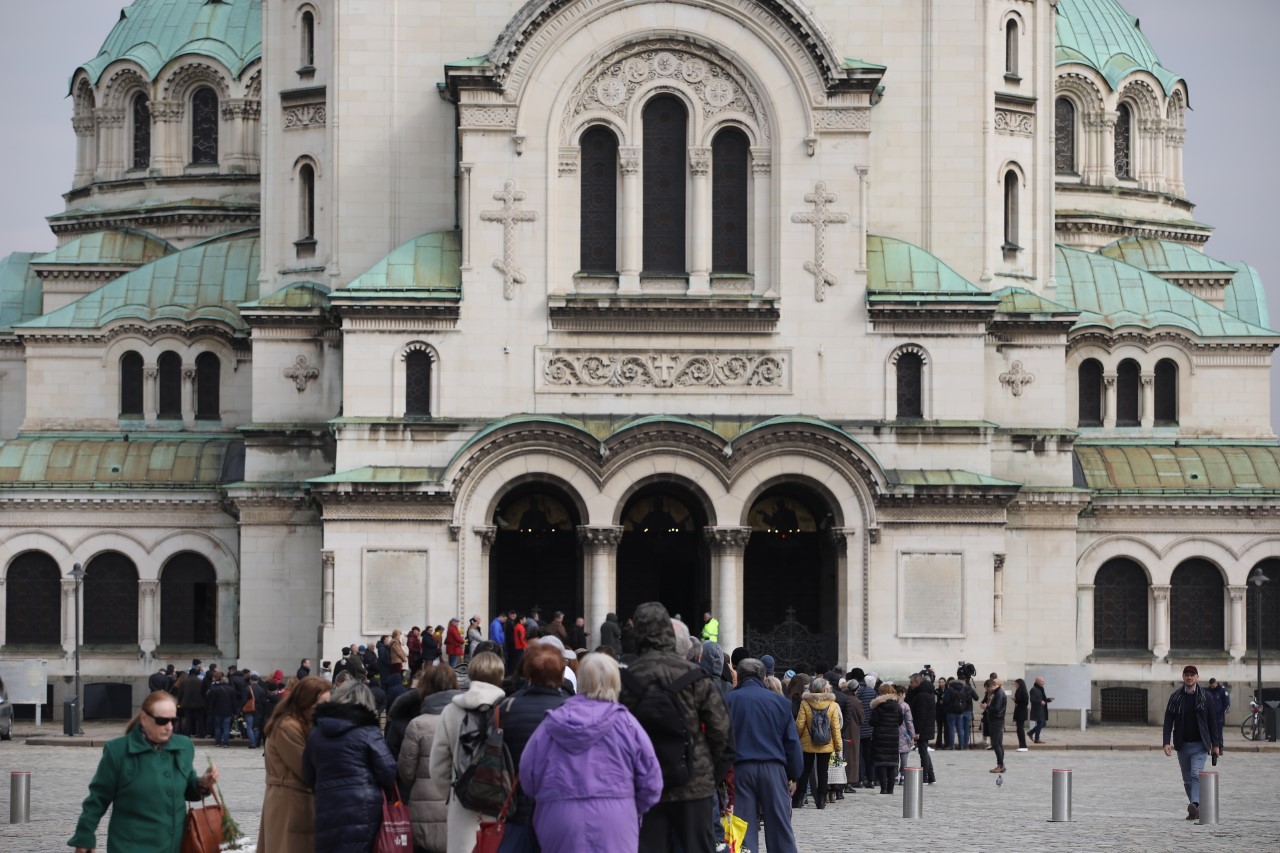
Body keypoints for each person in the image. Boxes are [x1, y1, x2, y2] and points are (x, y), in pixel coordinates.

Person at [620, 602, 733, 853]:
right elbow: (722, 733)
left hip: (642, 788)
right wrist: (708, 775)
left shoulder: (624, 679)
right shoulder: (696, 676)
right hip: (694, 786)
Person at [520, 652, 662, 853]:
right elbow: (652, 781)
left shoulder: (552, 722)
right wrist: (629, 805)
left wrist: (549, 797)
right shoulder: (627, 724)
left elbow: (527, 775)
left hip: (559, 818)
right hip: (616, 820)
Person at [68, 691, 220, 853]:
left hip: (175, 847)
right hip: (131, 846)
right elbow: (98, 798)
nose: (169, 727)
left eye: (173, 720)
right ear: (144, 719)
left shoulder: (184, 746)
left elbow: (188, 788)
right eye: (162, 721)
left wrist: (202, 783)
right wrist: (85, 836)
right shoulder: (118, 751)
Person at [302, 680, 400, 853]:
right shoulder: (368, 731)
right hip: (363, 806)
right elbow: (387, 770)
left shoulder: (317, 731)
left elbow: (308, 774)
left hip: (326, 804)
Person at [489, 644, 570, 850]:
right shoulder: (572, 708)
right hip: (560, 809)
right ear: (561, 674)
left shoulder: (506, 707)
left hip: (516, 808)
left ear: (528, 672)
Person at [428, 651, 508, 853]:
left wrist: (455, 792)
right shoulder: (507, 710)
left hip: (461, 806)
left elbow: (437, 766)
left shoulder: (451, 710)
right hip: (499, 805)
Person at [723, 658, 802, 853]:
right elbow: (792, 743)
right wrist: (794, 774)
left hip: (739, 769)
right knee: (780, 829)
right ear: (763, 677)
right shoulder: (781, 703)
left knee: (743, 827)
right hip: (773, 768)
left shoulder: (727, 701)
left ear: (738, 676)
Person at [257, 676, 331, 853]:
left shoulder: (304, 723)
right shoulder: (288, 727)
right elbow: (306, 768)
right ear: (306, 702)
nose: (326, 709)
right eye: (321, 703)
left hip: (296, 801)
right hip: (289, 803)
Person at [398, 665, 464, 853]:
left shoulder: (418, 725)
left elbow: (406, 772)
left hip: (424, 809)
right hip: (459, 807)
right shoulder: (468, 719)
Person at [1162, 665, 1222, 821]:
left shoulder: (1205, 696)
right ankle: (1196, 809)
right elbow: (1168, 720)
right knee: (1187, 780)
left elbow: (1212, 721)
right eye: (1187, 675)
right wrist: (1166, 742)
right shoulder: (1176, 697)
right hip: (1182, 744)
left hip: (1200, 744)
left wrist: (1216, 744)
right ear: (1183, 677)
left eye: (1192, 675)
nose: (1189, 678)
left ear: (1197, 677)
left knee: (1196, 775)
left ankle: (1194, 803)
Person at [793, 676, 842, 809]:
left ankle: (799, 798)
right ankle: (821, 800)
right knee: (823, 772)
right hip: (826, 743)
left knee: (805, 771)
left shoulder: (805, 703)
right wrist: (838, 747)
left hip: (807, 743)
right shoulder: (832, 704)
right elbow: (835, 728)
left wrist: (795, 739)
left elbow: (800, 724)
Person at [869, 684, 904, 794]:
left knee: (881, 763)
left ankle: (883, 788)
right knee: (892, 762)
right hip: (893, 736)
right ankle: (891, 789)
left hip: (880, 736)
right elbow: (900, 721)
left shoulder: (878, 706)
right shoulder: (897, 706)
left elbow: (873, 722)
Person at [906, 672, 937, 784]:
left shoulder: (921, 695)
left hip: (922, 728)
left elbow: (920, 714)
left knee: (923, 752)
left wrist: (917, 731)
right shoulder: (926, 692)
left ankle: (925, 776)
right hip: (926, 726)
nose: (910, 685)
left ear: (917, 682)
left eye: (911, 683)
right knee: (924, 750)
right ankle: (931, 776)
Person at [945, 676, 979, 750]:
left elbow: (946, 700)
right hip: (962, 710)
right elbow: (976, 698)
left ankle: (951, 745)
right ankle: (963, 745)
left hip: (951, 711)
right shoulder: (965, 688)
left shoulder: (950, 689)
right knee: (962, 729)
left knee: (952, 729)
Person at [207, 669, 236, 747]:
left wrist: (211, 709)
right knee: (226, 727)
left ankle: (218, 742)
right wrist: (235, 711)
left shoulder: (216, 689)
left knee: (218, 727)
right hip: (228, 711)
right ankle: (226, 743)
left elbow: (212, 701)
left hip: (218, 710)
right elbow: (234, 702)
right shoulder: (231, 690)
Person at [984, 677, 1007, 773]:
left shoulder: (999, 694)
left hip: (997, 720)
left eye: (987, 688)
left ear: (991, 686)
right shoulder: (997, 693)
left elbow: (997, 708)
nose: (987, 690)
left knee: (996, 743)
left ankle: (1000, 765)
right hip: (997, 720)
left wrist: (987, 707)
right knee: (998, 743)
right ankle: (1001, 764)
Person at [1204, 678, 1230, 747]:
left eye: (1213, 685)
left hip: (1219, 716)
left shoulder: (1222, 690)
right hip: (1209, 715)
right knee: (1208, 731)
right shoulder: (1207, 690)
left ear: (1216, 683)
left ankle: (1220, 747)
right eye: (1211, 686)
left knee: (1218, 732)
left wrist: (1222, 712)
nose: (1212, 687)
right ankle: (1209, 746)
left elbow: (1227, 703)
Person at [1029, 676, 1053, 743]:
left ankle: (1030, 733)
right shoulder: (1033, 689)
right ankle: (1037, 739)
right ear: (1037, 681)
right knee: (1040, 723)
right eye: (1041, 681)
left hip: (1042, 709)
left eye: (1043, 681)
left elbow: (1043, 699)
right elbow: (1032, 699)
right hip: (1037, 710)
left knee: (1043, 724)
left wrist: (1049, 699)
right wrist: (1040, 701)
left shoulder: (1041, 689)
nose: (1043, 682)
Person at [1013, 678, 1029, 751]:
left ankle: (1023, 746)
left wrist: (1015, 700)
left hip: (1020, 712)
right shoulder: (1023, 691)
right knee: (1020, 729)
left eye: (1016, 684)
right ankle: (1022, 745)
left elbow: (1020, 701)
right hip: (1022, 712)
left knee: (1020, 729)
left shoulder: (1020, 691)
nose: (1015, 685)